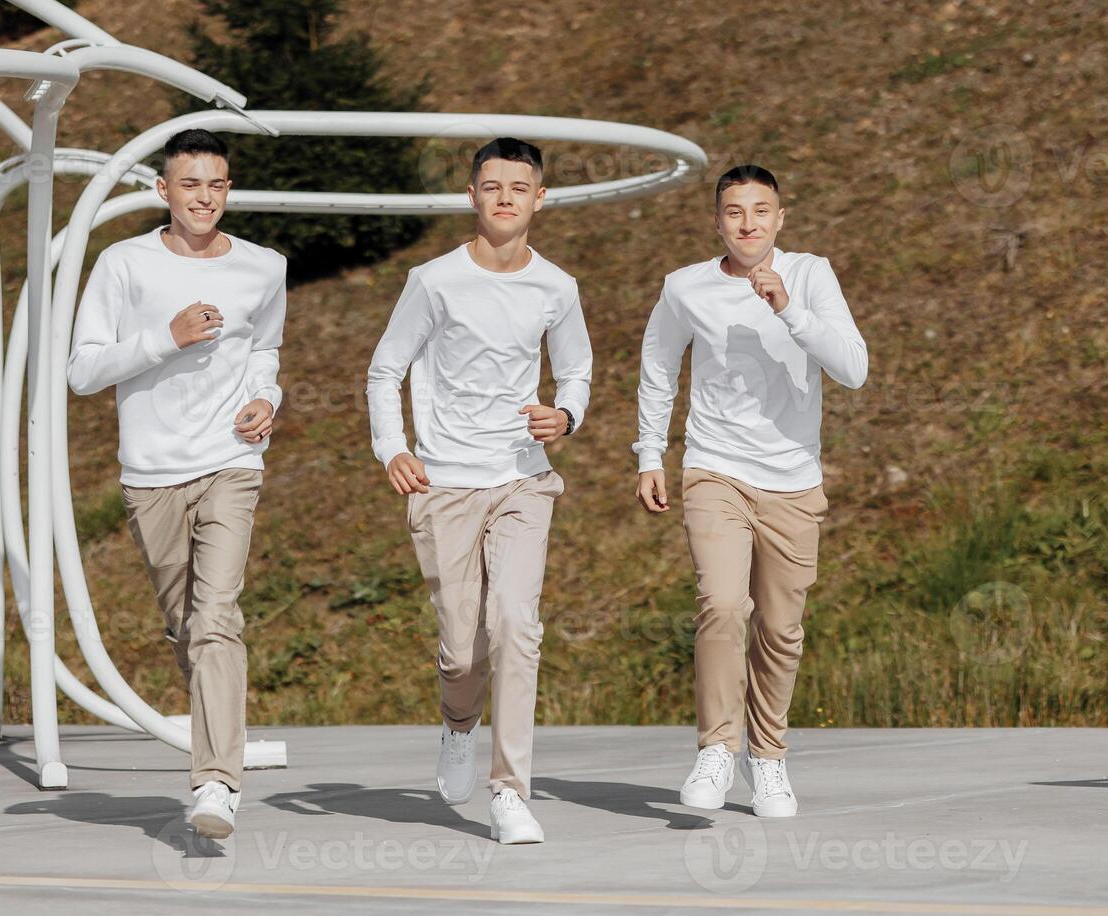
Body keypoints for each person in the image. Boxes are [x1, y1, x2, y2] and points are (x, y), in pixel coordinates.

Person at [365, 137, 592, 845]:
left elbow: (577, 371)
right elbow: (384, 370)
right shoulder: (434, 281)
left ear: (539, 199)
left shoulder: (557, 287)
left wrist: (566, 414)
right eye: (491, 186)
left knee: (517, 626)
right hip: (445, 482)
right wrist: (393, 447)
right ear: (472, 195)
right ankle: (459, 722)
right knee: (462, 649)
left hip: (522, 477)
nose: (504, 199)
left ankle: (509, 791)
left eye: (518, 188)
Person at [67, 128, 287, 839]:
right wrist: (168, 336)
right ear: (163, 191)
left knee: (217, 618)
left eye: (217, 185)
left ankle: (217, 783)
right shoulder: (123, 264)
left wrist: (267, 399)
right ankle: (216, 749)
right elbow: (83, 371)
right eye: (191, 184)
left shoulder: (263, 268)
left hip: (231, 462)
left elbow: (266, 350)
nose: (205, 197)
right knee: (185, 628)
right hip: (151, 474)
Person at [632, 164, 867, 818]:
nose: (748, 224)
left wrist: (789, 309)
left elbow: (853, 368)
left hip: (794, 479)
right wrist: (650, 453)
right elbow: (656, 367)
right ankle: (716, 748)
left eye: (761, 211)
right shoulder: (686, 288)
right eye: (734, 212)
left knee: (782, 629)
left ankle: (767, 758)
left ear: (780, 219)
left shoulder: (811, 275)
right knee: (721, 602)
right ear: (717, 221)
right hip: (716, 468)